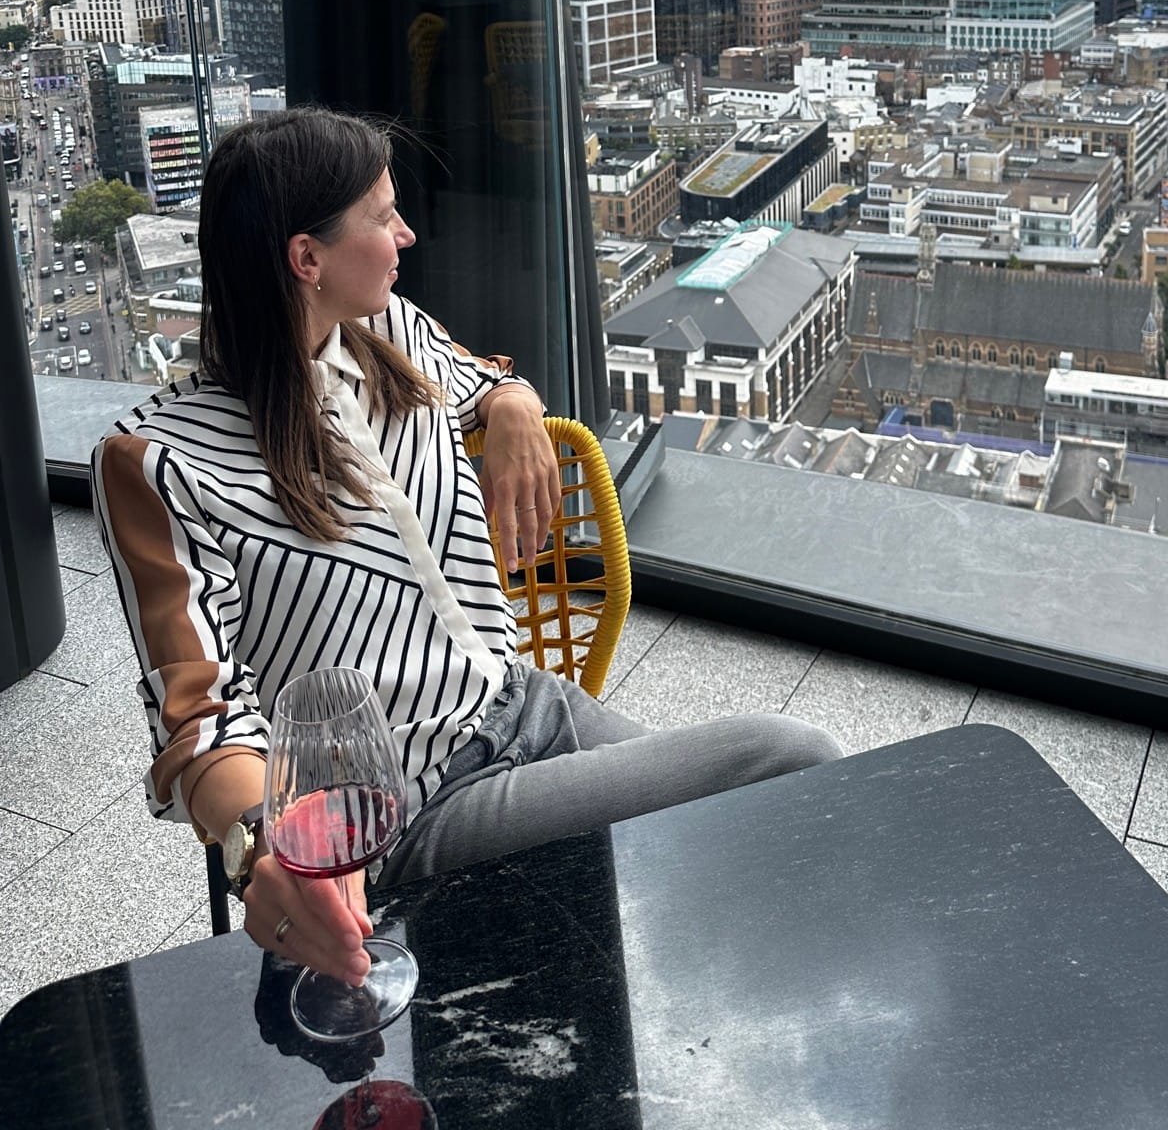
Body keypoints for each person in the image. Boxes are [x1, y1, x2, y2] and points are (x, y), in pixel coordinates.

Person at [94, 107, 839, 993]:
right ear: (307, 259)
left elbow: (480, 377)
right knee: (791, 759)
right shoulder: (161, 464)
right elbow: (199, 718)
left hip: (524, 703)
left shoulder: (389, 335)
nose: (406, 233)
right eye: (382, 216)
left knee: (749, 827)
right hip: (412, 805)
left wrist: (515, 401)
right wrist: (264, 844)